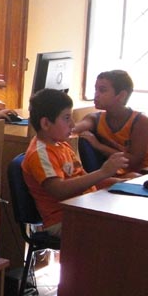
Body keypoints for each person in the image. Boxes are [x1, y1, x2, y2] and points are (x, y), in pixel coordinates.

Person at [22, 89, 129, 237]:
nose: (73, 124)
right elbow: (59, 190)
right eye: (66, 118)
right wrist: (103, 172)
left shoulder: (61, 145)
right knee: (122, 230)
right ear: (46, 123)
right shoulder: (40, 154)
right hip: (63, 219)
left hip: (82, 208)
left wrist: (122, 183)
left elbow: (85, 180)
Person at [72, 69, 148, 174]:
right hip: (123, 173)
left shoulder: (140, 120)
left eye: (102, 90)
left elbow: (134, 161)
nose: (96, 95)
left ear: (121, 95)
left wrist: (99, 146)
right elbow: (72, 129)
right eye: (96, 89)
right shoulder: (94, 118)